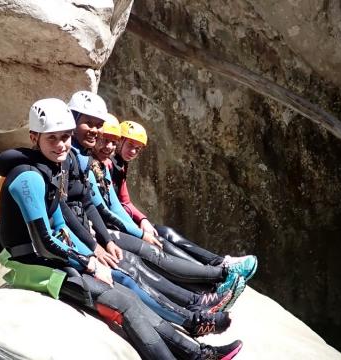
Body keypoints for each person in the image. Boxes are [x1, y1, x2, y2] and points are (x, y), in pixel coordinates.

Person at [0, 97, 243, 359]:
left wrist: (90, 255)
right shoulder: (29, 177)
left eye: (65, 137)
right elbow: (44, 240)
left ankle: (198, 353)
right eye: (52, 138)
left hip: (48, 263)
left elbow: (60, 222)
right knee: (124, 304)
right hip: (30, 268)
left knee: (128, 295)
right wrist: (90, 263)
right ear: (35, 137)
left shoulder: (50, 170)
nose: (61, 145)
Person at [62, 92, 238, 330]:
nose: (107, 144)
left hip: (91, 234)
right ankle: (205, 294)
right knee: (136, 266)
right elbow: (72, 212)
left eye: (103, 131)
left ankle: (202, 293)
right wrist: (97, 247)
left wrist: (135, 226)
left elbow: (105, 203)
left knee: (147, 251)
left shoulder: (89, 161)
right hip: (83, 240)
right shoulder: (75, 161)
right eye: (104, 137)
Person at [111, 120, 258, 280]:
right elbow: (111, 206)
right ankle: (210, 273)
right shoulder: (110, 164)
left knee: (166, 232)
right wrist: (138, 230)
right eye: (130, 145)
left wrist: (143, 219)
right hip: (115, 224)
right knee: (160, 242)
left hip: (121, 220)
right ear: (119, 140)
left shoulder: (121, 165)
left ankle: (217, 263)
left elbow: (124, 201)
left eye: (137, 149)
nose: (133, 151)